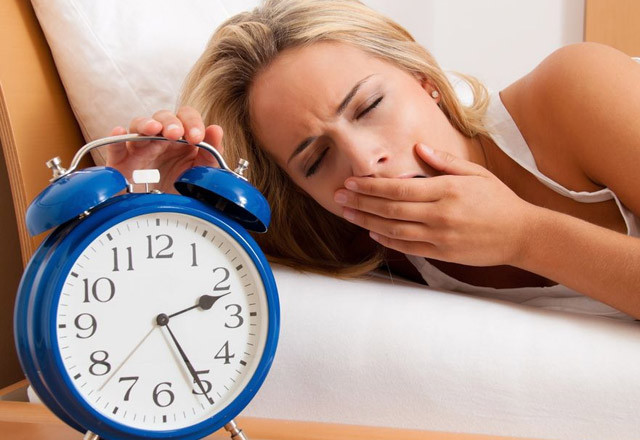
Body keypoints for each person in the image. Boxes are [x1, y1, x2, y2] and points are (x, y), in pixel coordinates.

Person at [106, 0, 640, 321]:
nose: (365, 161)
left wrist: (523, 234)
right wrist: (143, 201)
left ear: (424, 79)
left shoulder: (576, 91)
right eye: (317, 159)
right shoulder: (349, 231)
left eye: (369, 106)